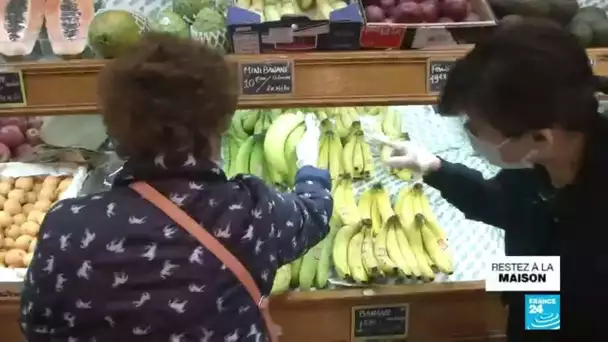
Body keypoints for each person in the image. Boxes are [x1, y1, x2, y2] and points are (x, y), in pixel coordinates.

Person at [20, 32, 332, 342]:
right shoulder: (253, 214)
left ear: (116, 125)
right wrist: (310, 169)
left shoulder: (67, 228)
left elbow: (37, 325)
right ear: (220, 121)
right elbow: (314, 213)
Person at [384, 19, 608, 341]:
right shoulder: (536, 167)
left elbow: (571, 286)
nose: (470, 135)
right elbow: (507, 207)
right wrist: (436, 169)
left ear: (540, 138)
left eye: (475, 127)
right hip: (539, 305)